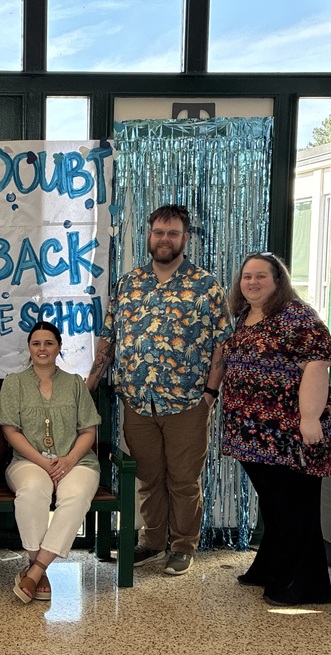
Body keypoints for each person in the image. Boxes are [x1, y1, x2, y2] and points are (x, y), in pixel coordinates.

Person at [87, 204, 230, 577]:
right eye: (158, 232)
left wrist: (210, 395)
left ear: (185, 238)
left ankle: (183, 546)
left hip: (188, 402)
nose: (164, 239)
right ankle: (152, 540)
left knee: (183, 479)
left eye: (172, 233)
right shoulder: (129, 284)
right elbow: (110, 338)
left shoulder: (206, 285)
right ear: (149, 236)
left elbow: (222, 343)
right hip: (137, 401)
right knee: (149, 477)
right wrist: (88, 384)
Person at [220, 252, 331, 606]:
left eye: (261, 276)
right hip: (254, 434)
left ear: (279, 281)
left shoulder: (298, 317)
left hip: (292, 432)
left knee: (294, 507)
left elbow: (316, 368)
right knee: (275, 505)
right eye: (246, 277)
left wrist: (309, 418)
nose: (252, 282)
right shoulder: (246, 314)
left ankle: (304, 585)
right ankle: (271, 568)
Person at [0, 321, 101, 603]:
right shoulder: (14, 383)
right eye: (36, 343)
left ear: (58, 347)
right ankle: (37, 568)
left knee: (76, 496)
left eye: (49, 343)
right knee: (32, 490)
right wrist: (43, 462)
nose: (42, 349)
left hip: (76, 461)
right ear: (29, 349)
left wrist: (68, 460)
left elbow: (88, 431)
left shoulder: (75, 384)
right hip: (27, 461)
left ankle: (36, 570)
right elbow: (10, 432)